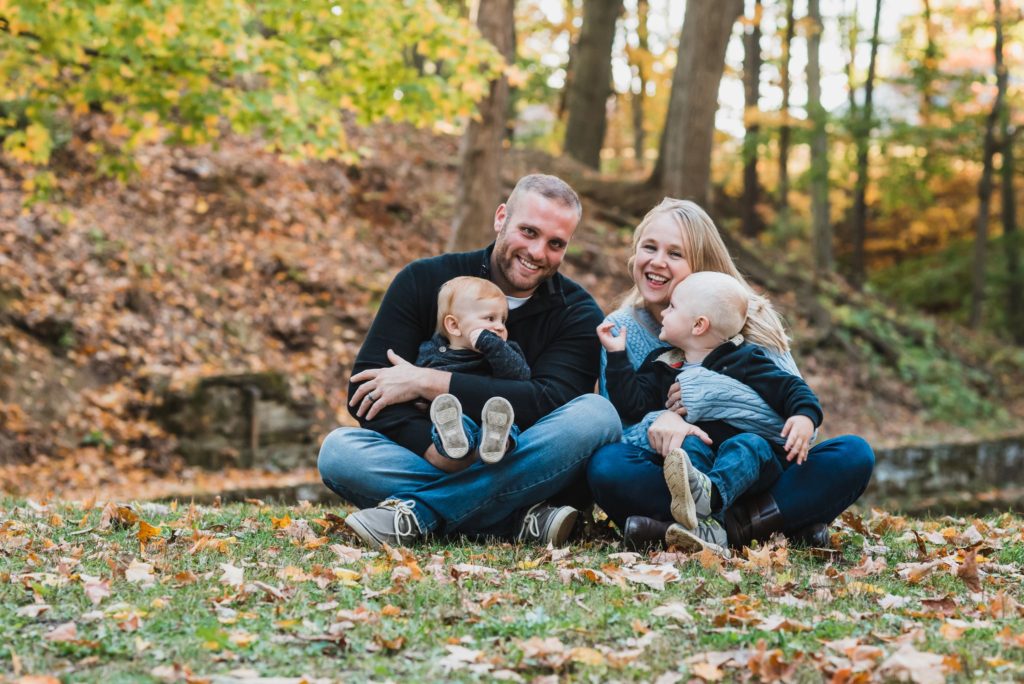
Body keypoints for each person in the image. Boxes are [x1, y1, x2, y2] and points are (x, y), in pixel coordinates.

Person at [318, 174, 621, 550]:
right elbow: (365, 392)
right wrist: (438, 456)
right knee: (339, 451)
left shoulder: (575, 313)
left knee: (597, 415)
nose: (538, 252)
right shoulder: (425, 280)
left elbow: (548, 403)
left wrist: (426, 382)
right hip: (441, 458)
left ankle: (418, 515)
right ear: (500, 219)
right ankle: (517, 521)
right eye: (528, 232)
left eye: (555, 243)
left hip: (523, 455)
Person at [587, 198, 874, 550]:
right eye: (650, 247)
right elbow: (621, 424)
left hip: (758, 466)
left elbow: (795, 419)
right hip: (683, 476)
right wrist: (660, 421)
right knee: (607, 466)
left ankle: (698, 531)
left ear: (701, 266)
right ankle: (764, 526)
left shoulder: (749, 319)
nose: (657, 261)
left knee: (852, 455)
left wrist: (707, 394)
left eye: (675, 254)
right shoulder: (624, 334)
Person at [599, 271, 823, 555]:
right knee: (687, 445)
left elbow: (791, 388)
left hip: (751, 469)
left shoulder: (743, 359)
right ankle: (709, 522)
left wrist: (804, 416)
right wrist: (618, 356)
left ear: (698, 325)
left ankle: (711, 499)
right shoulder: (663, 363)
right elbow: (632, 405)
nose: (664, 312)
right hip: (698, 464)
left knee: (748, 443)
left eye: (673, 307)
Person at [417, 276, 530, 464]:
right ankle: (455, 441)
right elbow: (418, 380)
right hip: (459, 422)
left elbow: (521, 377)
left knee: (504, 421)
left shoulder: (504, 351)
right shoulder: (432, 350)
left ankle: (497, 441)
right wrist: (420, 401)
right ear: (454, 325)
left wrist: (492, 345)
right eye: (490, 318)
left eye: (503, 321)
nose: (500, 327)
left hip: (493, 417)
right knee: (447, 420)